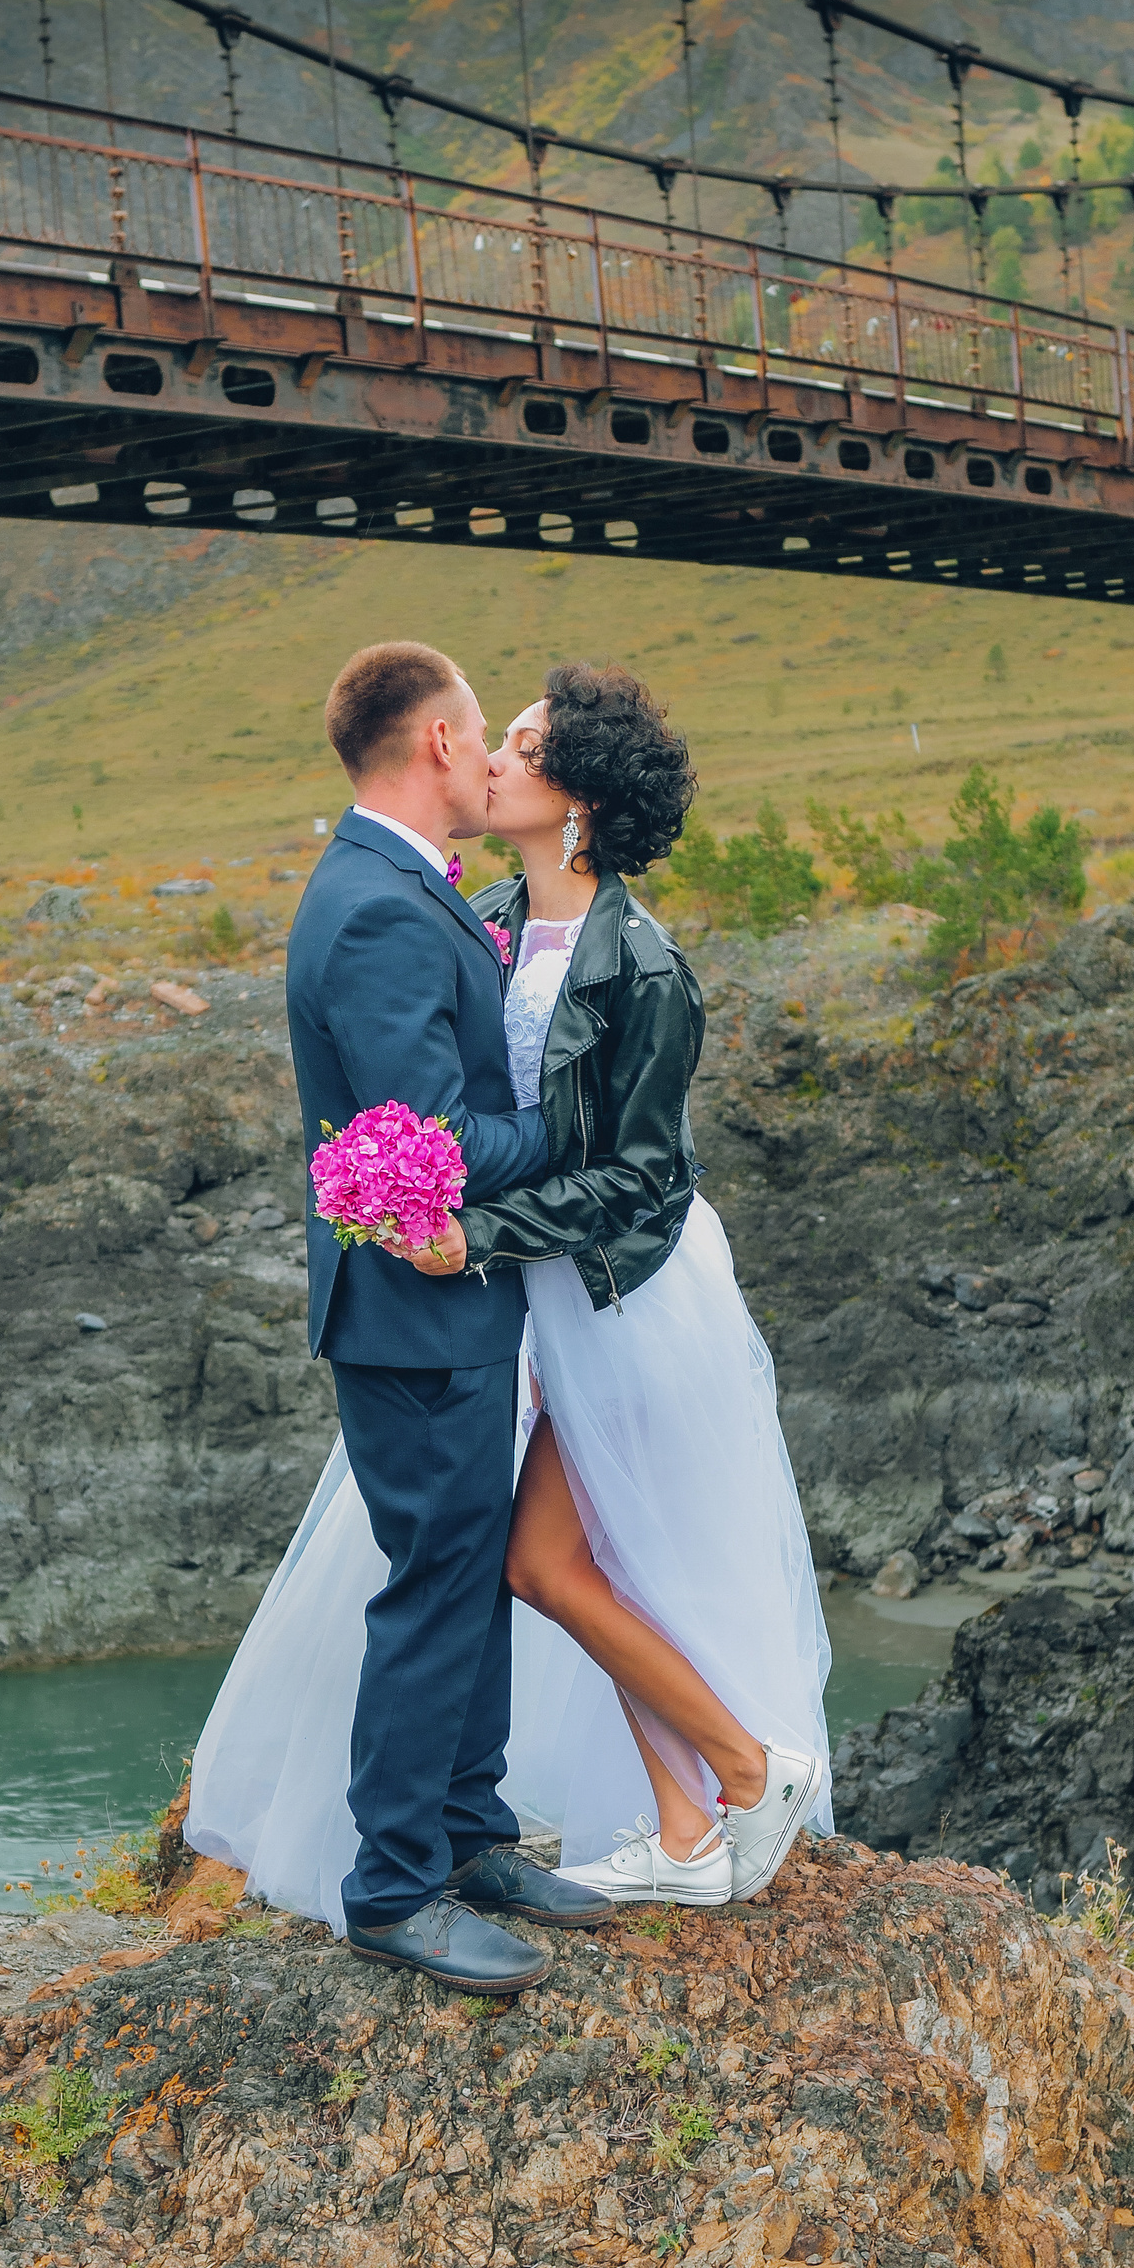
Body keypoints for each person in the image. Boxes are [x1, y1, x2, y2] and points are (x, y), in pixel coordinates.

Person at [188, 659, 831, 1940]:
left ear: (577, 798)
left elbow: (643, 1172)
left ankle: (718, 1790)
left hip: (615, 1286)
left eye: (522, 747)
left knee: (575, 1555)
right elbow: (430, 1104)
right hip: (510, 1289)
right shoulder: (467, 909)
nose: (492, 759)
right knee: (517, 1563)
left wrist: (483, 1216)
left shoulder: (637, 962)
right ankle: (641, 1818)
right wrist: (480, 1204)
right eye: (492, 736)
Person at [224, 640, 615, 2001]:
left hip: (439, 1303)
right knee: (436, 1585)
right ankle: (394, 1887)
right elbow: (431, 1141)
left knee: (466, 1568)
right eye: (477, 736)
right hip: (413, 1309)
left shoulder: (392, 885)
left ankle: (472, 1832)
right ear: (441, 744)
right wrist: (569, 1131)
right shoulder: (383, 908)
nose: (489, 760)